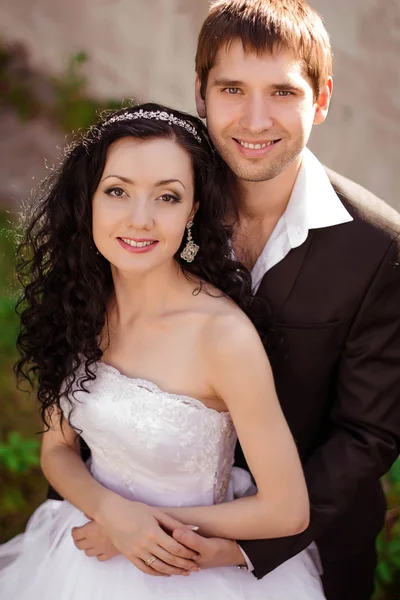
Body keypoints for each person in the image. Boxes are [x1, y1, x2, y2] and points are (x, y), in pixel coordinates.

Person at [71, 2, 400, 599]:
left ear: (321, 99)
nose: (254, 119)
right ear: (200, 94)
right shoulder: (164, 203)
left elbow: (366, 433)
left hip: (300, 544)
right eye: (231, 89)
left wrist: (241, 543)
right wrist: (112, 508)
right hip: (121, 519)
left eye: (282, 92)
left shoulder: (379, 248)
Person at [0, 103, 326, 599]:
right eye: (117, 191)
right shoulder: (79, 303)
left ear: (192, 212)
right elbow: (57, 450)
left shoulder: (222, 337)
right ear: (89, 200)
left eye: (167, 197)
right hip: (84, 548)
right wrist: (111, 512)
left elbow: (286, 509)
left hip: (190, 571)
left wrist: (142, 529)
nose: (140, 219)